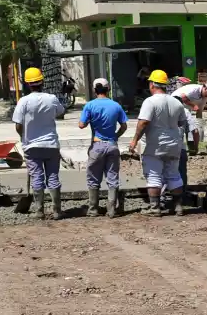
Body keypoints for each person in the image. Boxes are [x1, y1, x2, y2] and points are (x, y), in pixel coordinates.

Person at [128, 69, 187, 216]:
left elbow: (143, 123)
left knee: (154, 174)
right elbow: (182, 123)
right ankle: (178, 207)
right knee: (174, 174)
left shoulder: (150, 101)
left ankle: (155, 208)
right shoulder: (176, 102)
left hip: (155, 145)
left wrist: (134, 140)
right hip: (174, 144)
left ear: (153, 84)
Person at [12, 66, 66, 219]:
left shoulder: (23, 101)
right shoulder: (52, 99)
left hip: (31, 147)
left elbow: (18, 125)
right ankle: (57, 211)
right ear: (42, 81)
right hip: (51, 145)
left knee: (37, 177)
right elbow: (61, 112)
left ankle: (39, 211)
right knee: (53, 177)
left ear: (28, 84)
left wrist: (23, 136)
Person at [78, 78, 128, 218]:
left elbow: (81, 125)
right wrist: (116, 136)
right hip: (112, 145)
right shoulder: (116, 105)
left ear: (94, 90)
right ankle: (111, 209)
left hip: (97, 145)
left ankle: (93, 209)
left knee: (93, 178)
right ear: (108, 89)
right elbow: (124, 126)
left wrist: (88, 120)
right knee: (112, 177)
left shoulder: (90, 105)